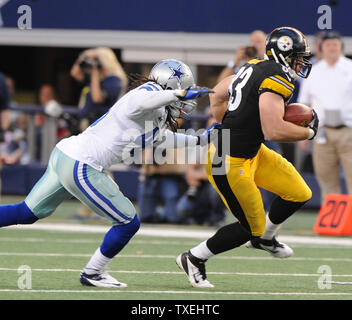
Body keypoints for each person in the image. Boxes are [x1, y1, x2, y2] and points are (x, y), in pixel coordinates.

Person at [0, 59, 216, 288]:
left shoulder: (156, 112)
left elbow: (160, 138)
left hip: (66, 155)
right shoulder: (147, 93)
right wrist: (178, 94)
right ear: (169, 84)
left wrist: (199, 140)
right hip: (83, 163)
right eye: (182, 86)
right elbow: (143, 100)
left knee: (26, 212)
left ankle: (94, 272)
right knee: (128, 222)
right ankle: (93, 272)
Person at [176, 27, 320, 288]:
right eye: (298, 56)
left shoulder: (254, 65)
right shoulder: (277, 78)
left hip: (249, 150)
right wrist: (308, 132)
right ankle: (194, 257)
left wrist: (224, 119)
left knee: (299, 193)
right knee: (247, 227)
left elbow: (219, 91)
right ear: (284, 54)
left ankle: (265, 238)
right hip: (227, 160)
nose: (302, 61)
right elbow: (273, 129)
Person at [70, 47, 128, 220]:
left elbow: (97, 98)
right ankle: (90, 209)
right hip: (89, 127)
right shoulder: (99, 76)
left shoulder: (115, 80)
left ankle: (112, 207)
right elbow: (75, 74)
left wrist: (95, 72)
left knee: (99, 169)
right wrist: (83, 57)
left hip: (103, 129)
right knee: (89, 167)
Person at [298, 31, 352, 204]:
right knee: (326, 177)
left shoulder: (350, 68)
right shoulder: (313, 72)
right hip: (322, 132)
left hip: (348, 131)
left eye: (335, 45)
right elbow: (304, 105)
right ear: (322, 48)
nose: (332, 48)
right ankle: (332, 222)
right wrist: (303, 132)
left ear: (341, 48)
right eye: (328, 45)